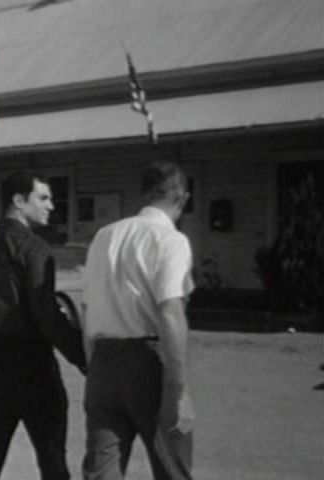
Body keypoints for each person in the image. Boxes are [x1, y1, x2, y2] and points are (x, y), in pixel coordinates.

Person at [0, 170, 86, 480]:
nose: (51, 206)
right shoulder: (34, 249)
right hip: (33, 370)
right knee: (53, 464)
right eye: (43, 198)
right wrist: (85, 358)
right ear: (18, 201)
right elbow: (46, 315)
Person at [81, 161, 195, 480]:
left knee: (102, 470)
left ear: (143, 195)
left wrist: (95, 367)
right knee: (171, 465)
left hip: (103, 362)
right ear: (182, 198)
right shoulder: (170, 241)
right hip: (148, 364)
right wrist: (180, 391)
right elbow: (170, 311)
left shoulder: (104, 236)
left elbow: (87, 308)